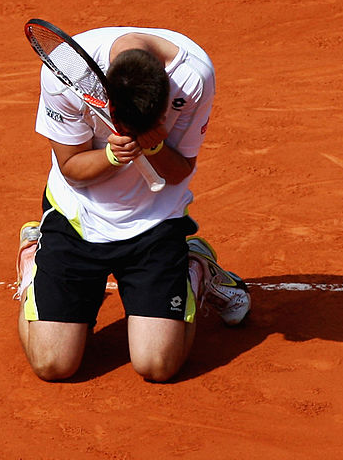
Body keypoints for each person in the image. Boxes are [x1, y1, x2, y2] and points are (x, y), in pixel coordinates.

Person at [15, 26, 251, 382]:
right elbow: (71, 169)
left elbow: (178, 171)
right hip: (77, 217)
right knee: (53, 364)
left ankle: (196, 269)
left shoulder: (193, 77)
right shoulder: (64, 73)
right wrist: (111, 156)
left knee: (157, 366)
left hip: (155, 222)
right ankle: (36, 259)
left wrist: (154, 147)